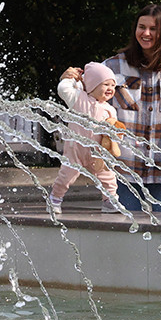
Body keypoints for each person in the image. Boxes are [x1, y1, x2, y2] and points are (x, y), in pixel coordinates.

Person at [103, 4, 161, 217]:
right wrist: (69, 79)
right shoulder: (112, 66)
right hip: (122, 173)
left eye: (153, 29)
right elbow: (88, 101)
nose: (146, 33)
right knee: (125, 238)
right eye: (141, 27)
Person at [49, 62, 123, 214]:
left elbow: (113, 132)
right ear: (92, 85)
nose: (110, 89)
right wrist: (71, 79)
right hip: (75, 150)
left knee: (108, 176)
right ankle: (55, 199)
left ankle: (109, 201)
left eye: (113, 85)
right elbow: (63, 89)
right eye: (106, 84)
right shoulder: (78, 99)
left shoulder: (110, 110)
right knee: (66, 176)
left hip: (98, 152)